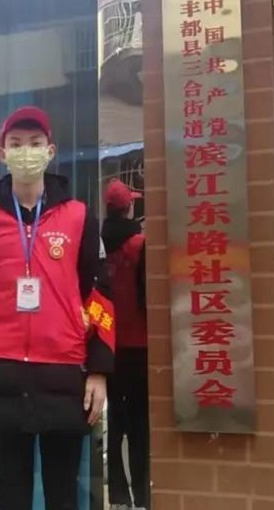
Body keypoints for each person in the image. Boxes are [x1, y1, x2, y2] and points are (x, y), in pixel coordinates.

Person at [0, 106, 115, 510]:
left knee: (63, 493)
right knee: (11, 493)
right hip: (2, 372)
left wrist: (99, 370)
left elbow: (100, 294)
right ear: (2, 154)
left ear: (50, 150)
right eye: (16, 144)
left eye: (34, 143)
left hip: (63, 372)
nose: (25, 151)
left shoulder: (78, 216)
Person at [101, 178, 149, 510]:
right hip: (140, 348)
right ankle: (144, 495)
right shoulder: (141, 245)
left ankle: (118, 496)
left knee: (116, 424)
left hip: (110, 348)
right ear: (130, 206)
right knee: (140, 428)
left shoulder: (100, 246)